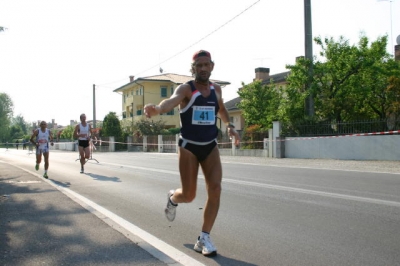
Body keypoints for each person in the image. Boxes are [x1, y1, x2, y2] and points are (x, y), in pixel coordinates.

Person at [144, 50, 240, 257]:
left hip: (210, 145)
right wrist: (158, 110)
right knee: (189, 195)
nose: (203, 69)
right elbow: (170, 101)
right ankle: (173, 198)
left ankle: (204, 237)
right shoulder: (186, 89)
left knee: (215, 189)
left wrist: (230, 125)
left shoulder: (216, 90)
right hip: (188, 146)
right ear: (194, 68)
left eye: (206, 65)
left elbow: (221, 109)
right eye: (199, 66)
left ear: (212, 66)